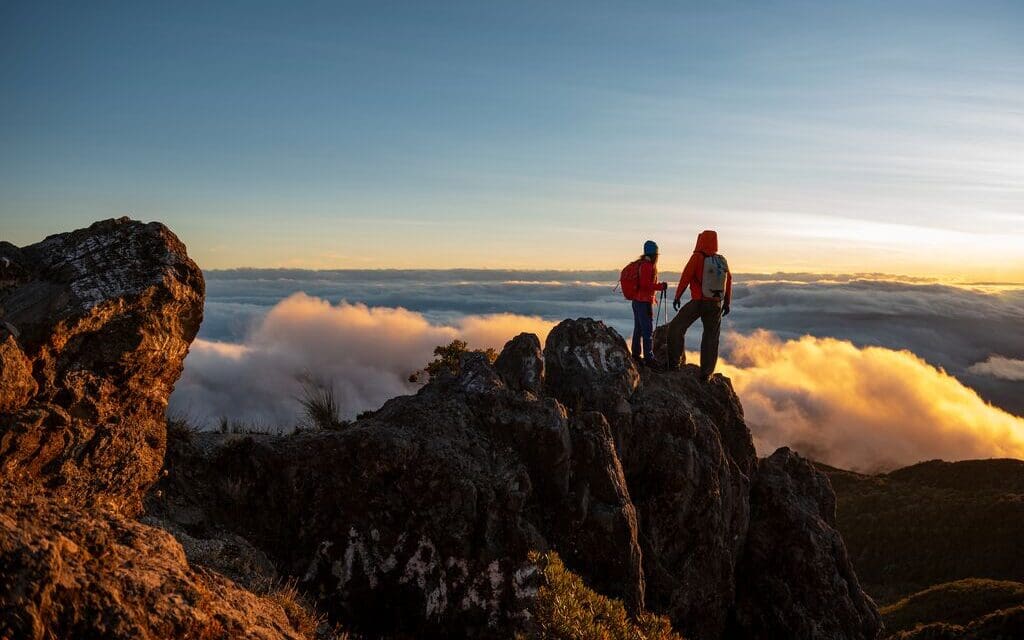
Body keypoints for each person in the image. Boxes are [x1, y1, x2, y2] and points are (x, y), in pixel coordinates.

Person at [667, 230, 732, 381]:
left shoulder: (697, 257)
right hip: (715, 303)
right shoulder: (721, 260)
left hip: (698, 301)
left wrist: (677, 296)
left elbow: (686, 276)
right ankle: (706, 373)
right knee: (711, 337)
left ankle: (674, 364)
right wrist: (727, 302)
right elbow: (728, 281)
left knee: (676, 328)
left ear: (700, 240)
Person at [631, 240, 668, 367]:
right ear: (654, 254)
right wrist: (660, 286)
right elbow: (645, 285)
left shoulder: (641, 264)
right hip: (644, 302)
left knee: (638, 329)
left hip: (637, 301)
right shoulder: (648, 266)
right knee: (647, 331)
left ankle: (636, 355)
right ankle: (649, 358)